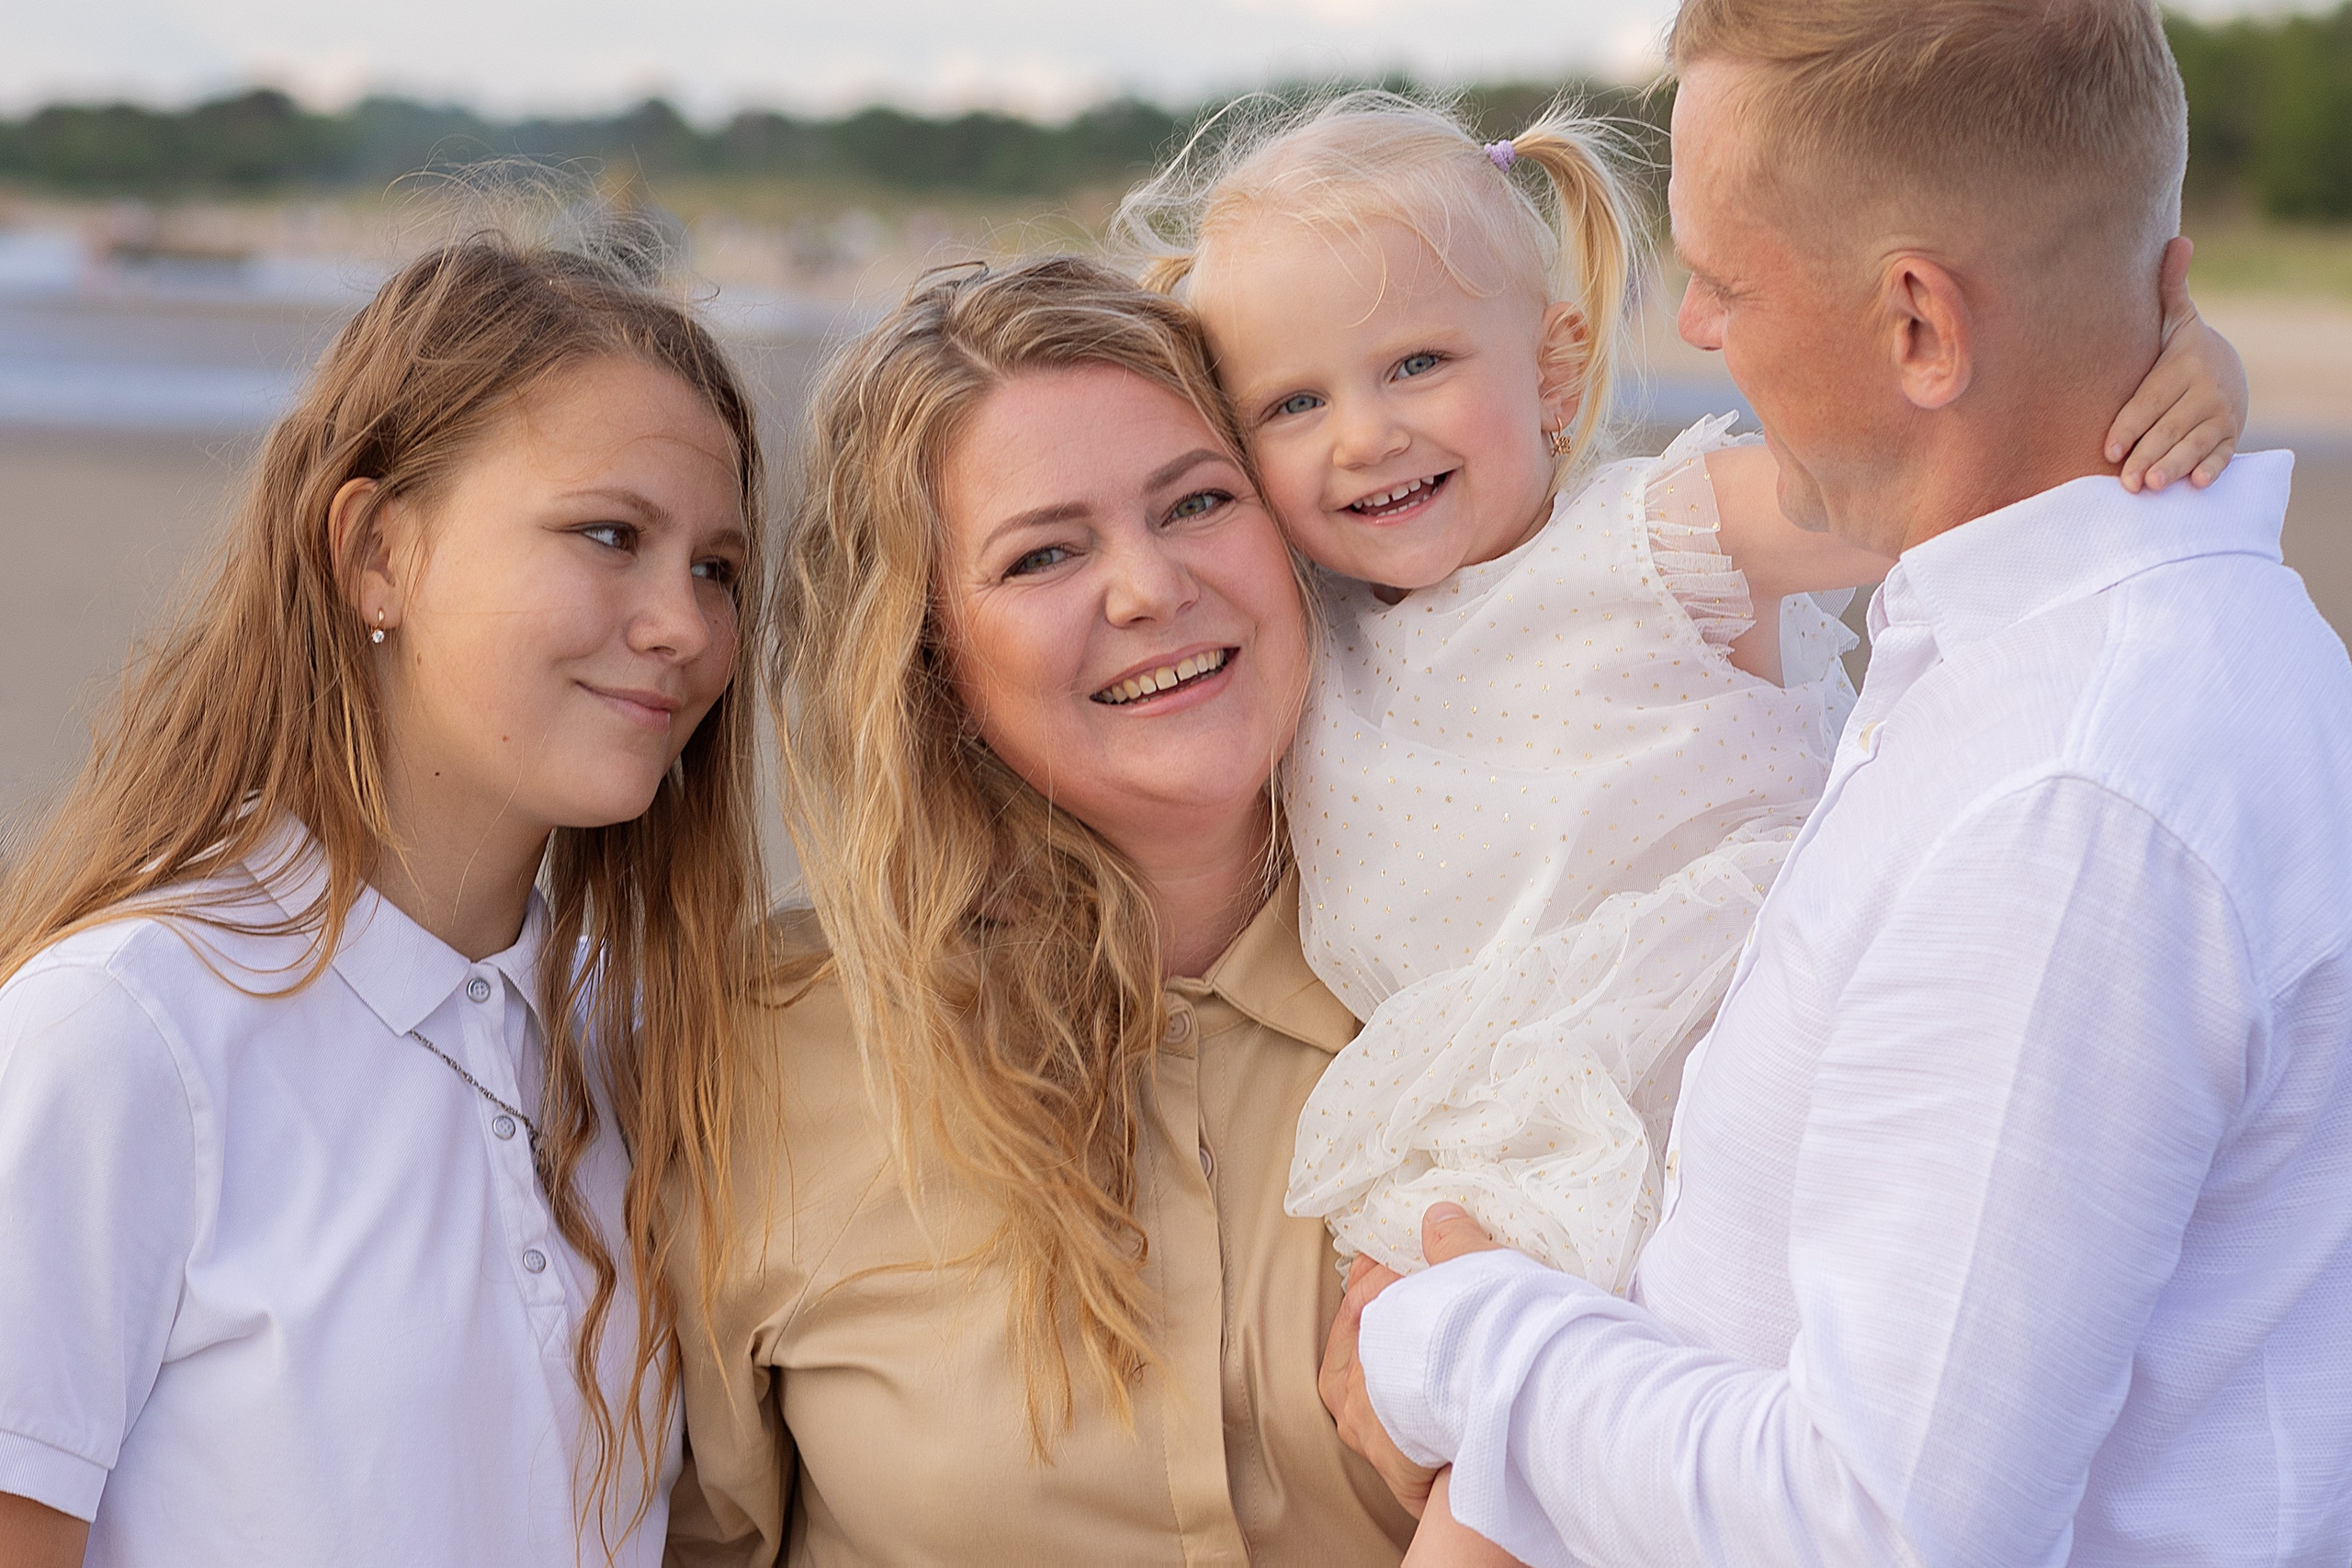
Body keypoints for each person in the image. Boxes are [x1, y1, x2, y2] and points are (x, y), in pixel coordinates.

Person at [1120, 88, 2247, 1563]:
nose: (1367, 435)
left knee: (1490, 1521)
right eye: (1295, 403)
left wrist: (2187, 365)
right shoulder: (1315, 640)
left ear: (1553, 363)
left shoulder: (1649, 543)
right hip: (1486, 1160)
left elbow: (1941, 482)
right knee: (1455, 1490)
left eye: (1417, 363)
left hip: (1701, 1120)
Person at [0, 236, 768, 1566]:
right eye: (610, 534)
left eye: (716, 566)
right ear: (377, 554)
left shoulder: (644, 1041)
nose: (686, 627)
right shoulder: (125, 1036)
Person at [663, 256, 1420, 1564]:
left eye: (1195, 503)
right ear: (930, 658)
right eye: (1044, 554)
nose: (1147, 588)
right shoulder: (754, 1054)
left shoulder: (1509, 974)